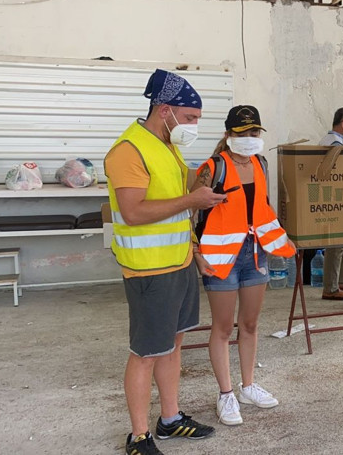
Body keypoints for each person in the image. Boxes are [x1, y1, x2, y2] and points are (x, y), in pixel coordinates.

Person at [105, 69, 223, 455]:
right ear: (165, 110)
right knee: (145, 353)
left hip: (179, 262)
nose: (192, 126)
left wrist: (204, 175)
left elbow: (177, 188)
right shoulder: (129, 151)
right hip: (148, 271)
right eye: (190, 118)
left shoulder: (166, 145)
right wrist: (193, 201)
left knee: (172, 345)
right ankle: (138, 437)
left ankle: (170, 419)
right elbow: (134, 211)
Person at [192, 105, 296, 426]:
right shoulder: (212, 168)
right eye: (243, 133)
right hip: (221, 254)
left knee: (249, 324)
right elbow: (191, 211)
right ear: (228, 135)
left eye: (254, 132)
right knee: (222, 328)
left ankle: (248, 386)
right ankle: (226, 394)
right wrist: (195, 251)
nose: (250, 138)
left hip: (254, 254)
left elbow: (262, 207)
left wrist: (274, 240)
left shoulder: (260, 163)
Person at [319, 107, 343, 301]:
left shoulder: (330, 140)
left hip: (334, 197)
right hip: (334, 198)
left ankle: (341, 280)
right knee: (336, 243)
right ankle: (331, 287)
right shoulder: (335, 143)